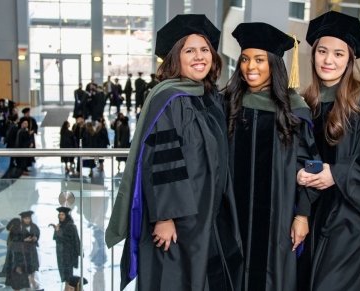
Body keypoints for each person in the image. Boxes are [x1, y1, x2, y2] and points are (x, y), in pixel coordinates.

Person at [105, 14, 242, 291]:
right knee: (175, 278)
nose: (199, 57)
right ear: (175, 58)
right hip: (179, 219)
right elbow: (161, 159)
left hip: (205, 211)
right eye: (189, 50)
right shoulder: (169, 98)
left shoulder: (207, 97)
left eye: (204, 50)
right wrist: (165, 217)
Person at [296, 11, 360, 290]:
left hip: (350, 224)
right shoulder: (305, 103)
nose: (329, 60)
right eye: (322, 51)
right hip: (310, 218)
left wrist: (336, 174)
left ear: (350, 60)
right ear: (313, 54)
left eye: (339, 54)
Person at [224, 22, 318, 291]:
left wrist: (302, 215)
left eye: (259, 59)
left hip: (277, 219)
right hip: (232, 215)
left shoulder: (294, 111)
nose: (250, 67)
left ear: (274, 63)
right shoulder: (227, 104)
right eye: (244, 59)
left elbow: (310, 164)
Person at [51, 206, 80, 290]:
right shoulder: (60, 225)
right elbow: (56, 238)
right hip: (61, 254)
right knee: (64, 275)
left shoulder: (70, 226)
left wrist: (58, 231)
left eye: (62, 214)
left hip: (68, 255)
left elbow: (69, 240)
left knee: (68, 275)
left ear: (66, 215)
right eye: (59, 214)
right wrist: (57, 230)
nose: (60, 216)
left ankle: (70, 289)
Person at [19, 210, 42, 290]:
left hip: (32, 250)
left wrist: (35, 238)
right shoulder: (19, 228)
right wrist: (24, 240)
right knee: (25, 268)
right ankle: (28, 284)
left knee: (32, 267)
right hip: (23, 250)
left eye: (28, 218)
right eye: (25, 218)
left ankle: (32, 281)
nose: (27, 220)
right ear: (22, 219)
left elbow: (37, 234)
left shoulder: (34, 226)